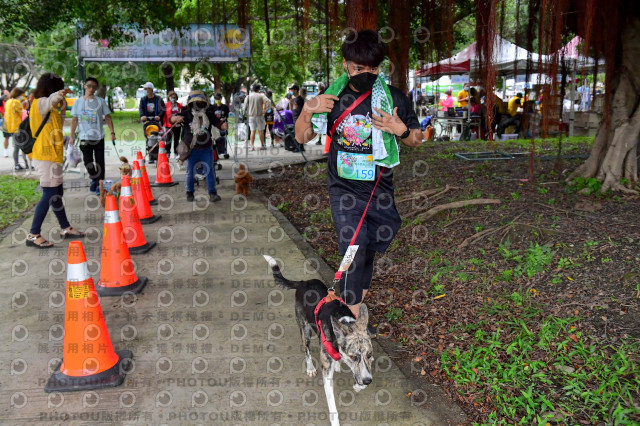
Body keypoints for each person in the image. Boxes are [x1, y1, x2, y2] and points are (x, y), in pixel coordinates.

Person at [294, 29, 422, 322]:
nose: (366, 73)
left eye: (373, 69)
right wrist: (308, 109)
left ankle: (354, 306)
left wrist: (399, 128)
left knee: (368, 251)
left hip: (379, 188)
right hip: (343, 189)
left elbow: (417, 138)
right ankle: (349, 319)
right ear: (345, 64)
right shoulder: (331, 98)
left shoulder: (393, 98)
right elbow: (302, 137)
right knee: (354, 245)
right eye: (359, 68)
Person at [27, 73, 85, 248]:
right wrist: (61, 93)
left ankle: (65, 227)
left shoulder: (48, 107)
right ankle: (33, 234)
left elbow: (56, 126)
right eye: (59, 87)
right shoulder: (40, 102)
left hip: (53, 155)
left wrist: (61, 109)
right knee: (50, 194)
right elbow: (52, 99)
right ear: (52, 87)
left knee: (56, 193)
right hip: (45, 156)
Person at [170, 90, 226, 202]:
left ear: (204, 103)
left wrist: (223, 125)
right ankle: (189, 193)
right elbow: (171, 119)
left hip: (206, 148)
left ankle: (212, 194)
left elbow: (218, 124)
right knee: (190, 172)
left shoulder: (209, 114)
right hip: (191, 149)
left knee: (209, 171)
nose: (198, 105)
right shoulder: (186, 113)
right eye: (195, 103)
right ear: (190, 104)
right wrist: (175, 119)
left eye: (200, 103)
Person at [69, 77, 115, 194]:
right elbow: (74, 120)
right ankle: (95, 179)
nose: (91, 89)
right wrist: (71, 136)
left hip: (98, 137)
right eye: (89, 86)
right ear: (84, 86)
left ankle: (100, 185)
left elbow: (108, 117)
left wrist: (112, 132)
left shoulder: (100, 101)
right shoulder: (78, 102)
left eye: (94, 87)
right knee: (88, 162)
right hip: (84, 137)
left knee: (100, 162)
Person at [138, 82, 165, 163]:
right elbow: (141, 109)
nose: (146, 90)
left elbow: (163, 109)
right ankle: (151, 156)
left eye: (147, 89)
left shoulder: (158, 99)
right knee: (149, 137)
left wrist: (159, 116)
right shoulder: (143, 99)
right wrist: (142, 116)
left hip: (156, 121)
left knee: (157, 137)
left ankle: (157, 155)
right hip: (147, 121)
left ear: (151, 89)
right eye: (145, 89)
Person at [3, 88, 29, 170]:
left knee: (17, 147)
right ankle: (23, 164)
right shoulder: (16, 102)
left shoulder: (8, 102)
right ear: (18, 94)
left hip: (11, 128)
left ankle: (18, 164)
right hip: (19, 128)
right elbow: (23, 113)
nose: (22, 96)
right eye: (21, 95)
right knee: (22, 147)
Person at [243, 84, 271, 151]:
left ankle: (252, 146)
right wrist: (265, 110)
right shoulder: (261, 96)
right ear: (259, 89)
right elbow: (269, 102)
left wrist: (246, 113)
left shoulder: (248, 96)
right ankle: (262, 145)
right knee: (261, 131)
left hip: (251, 116)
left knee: (252, 131)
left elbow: (244, 107)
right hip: (259, 115)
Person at [162, 90, 182, 159]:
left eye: (174, 97)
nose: (173, 98)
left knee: (176, 139)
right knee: (168, 139)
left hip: (178, 125)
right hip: (168, 125)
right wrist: (164, 124)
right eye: (171, 97)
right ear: (169, 97)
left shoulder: (179, 105)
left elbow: (182, 114)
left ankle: (176, 153)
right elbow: (164, 115)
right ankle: (168, 152)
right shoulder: (166, 105)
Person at [211, 93, 230, 159]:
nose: (217, 100)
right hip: (215, 125)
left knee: (223, 137)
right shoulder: (212, 107)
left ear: (221, 99)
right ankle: (216, 152)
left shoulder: (225, 107)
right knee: (215, 138)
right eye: (216, 99)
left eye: (218, 99)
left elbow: (227, 115)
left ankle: (224, 150)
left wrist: (224, 119)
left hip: (223, 125)